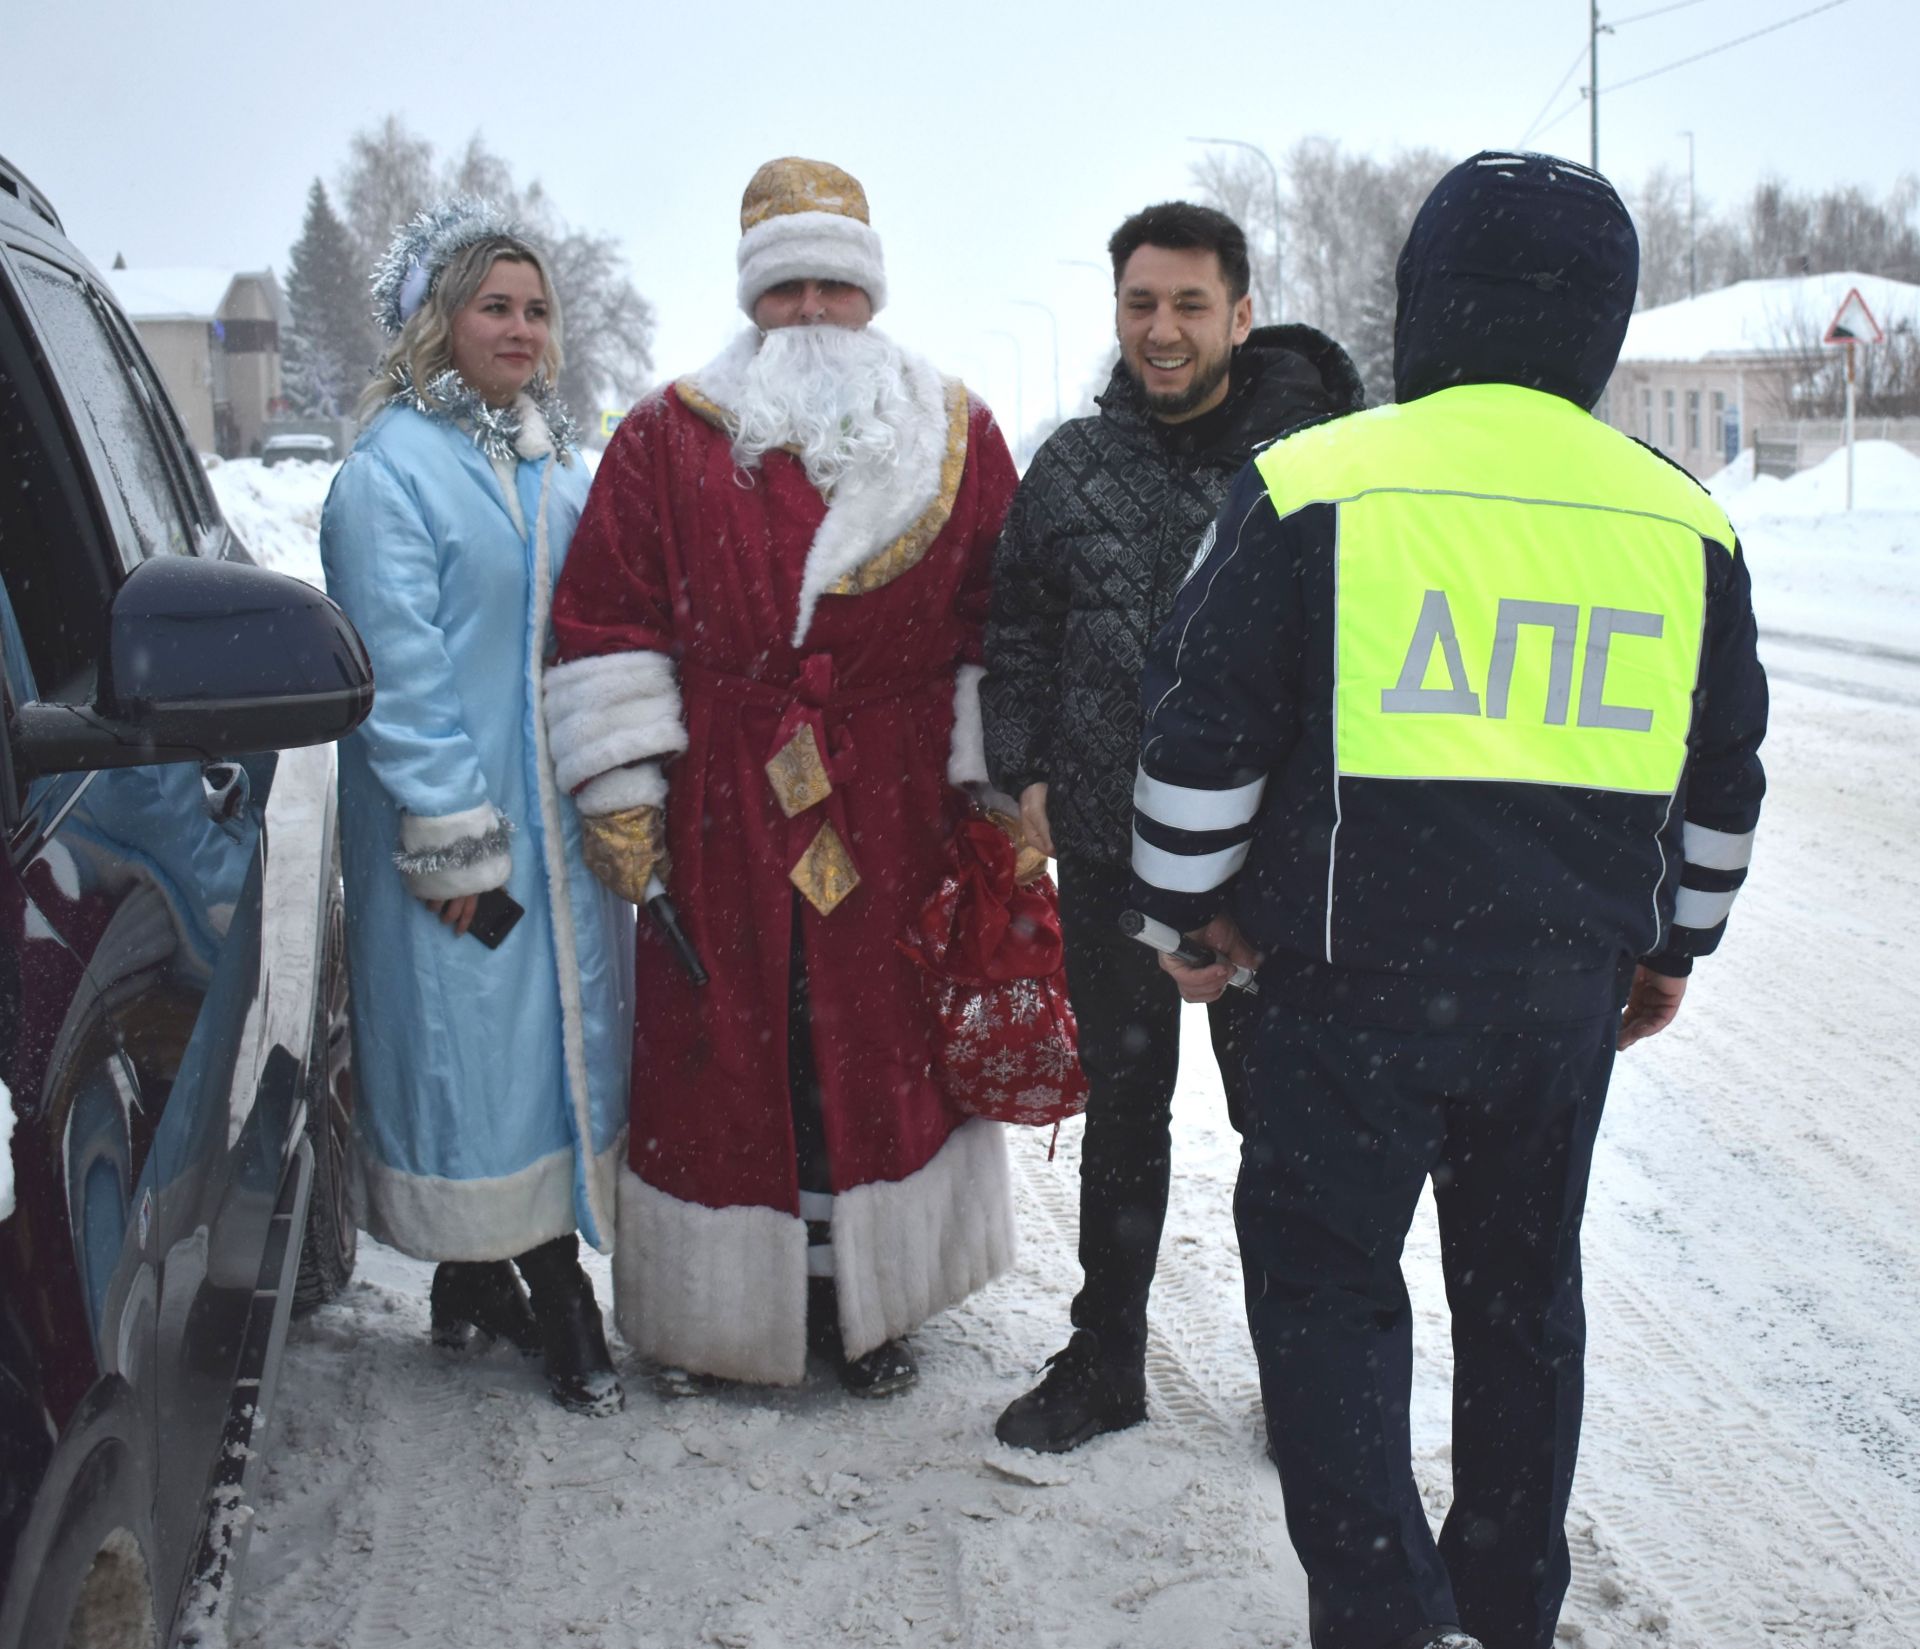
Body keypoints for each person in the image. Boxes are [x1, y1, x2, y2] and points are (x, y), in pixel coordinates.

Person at [1129, 151, 1768, 1649]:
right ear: (1598, 320)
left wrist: (1183, 912)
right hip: (1556, 999)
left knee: (1332, 1294)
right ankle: (1508, 1605)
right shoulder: (1682, 521)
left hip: (1342, 983)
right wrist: (1673, 945)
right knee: (1522, 1302)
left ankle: (1383, 1615)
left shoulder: (1314, 481)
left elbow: (1201, 731)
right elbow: (1721, 776)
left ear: (1428, 299)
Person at [544, 157, 1020, 1397]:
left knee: (875, 1041)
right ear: (754, 299)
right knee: (738, 1043)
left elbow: (997, 625)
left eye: (835, 288)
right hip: (723, 796)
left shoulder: (959, 432)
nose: (812, 313)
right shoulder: (665, 434)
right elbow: (607, 618)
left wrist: (992, 790)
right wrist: (623, 793)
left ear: (872, 295)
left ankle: (872, 1296)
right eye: (788, 289)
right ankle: (727, 1305)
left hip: (895, 792)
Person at [982, 202, 1364, 1452]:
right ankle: (1106, 1363)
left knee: (1290, 1137)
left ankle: (1307, 1387)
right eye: (1142, 303)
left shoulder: (1322, 467)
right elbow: (1020, 630)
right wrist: (1022, 765)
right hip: (1109, 849)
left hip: (1271, 868)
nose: (1163, 329)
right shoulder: (1076, 466)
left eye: (1191, 304)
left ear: (1241, 314)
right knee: (1125, 1113)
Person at [319, 199, 632, 1416]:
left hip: (551, 824)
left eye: (535, 307)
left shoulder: (550, 462)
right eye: (493, 305)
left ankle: (477, 1278)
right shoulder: (386, 476)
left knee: (549, 1046)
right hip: (449, 828)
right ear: (437, 322)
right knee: (480, 1050)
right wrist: (453, 840)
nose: (519, 326)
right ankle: (553, 1288)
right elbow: (399, 678)